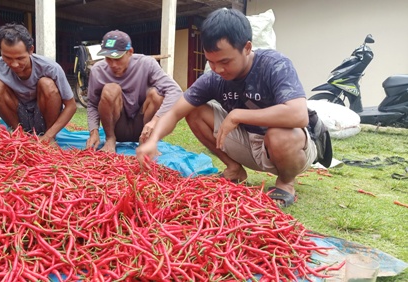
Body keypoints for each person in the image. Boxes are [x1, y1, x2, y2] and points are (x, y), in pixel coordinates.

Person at [137, 8, 329, 208]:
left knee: (279, 134)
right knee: (194, 110)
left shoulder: (274, 65)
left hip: (290, 146)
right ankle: (234, 168)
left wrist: (238, 115)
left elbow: (298, 115)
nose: (218, 69)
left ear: (247, 47)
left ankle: (285, 183)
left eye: (225, 61)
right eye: (211, 61)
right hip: (249, 142)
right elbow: (176, 111)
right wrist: (154, 139)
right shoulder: (213, 78)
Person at [0, 23, 77, 143]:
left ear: (31, 50)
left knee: (47, 84)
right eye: (7, 58)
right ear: (1, 50)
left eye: (20, 58)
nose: (14, 64)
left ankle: (48, 139)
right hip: (17, 117)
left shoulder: (50, 68)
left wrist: (49, 135)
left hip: (44, 117)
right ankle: (19, 135)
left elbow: (71, 106)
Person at [85, 30, 183, 152]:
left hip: (143, 125)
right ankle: (110, 140)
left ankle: (147, 141)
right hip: (116, 126)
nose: (113, 64)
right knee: (110, 89)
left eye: (118, 58)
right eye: (108, 59)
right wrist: (94, 131)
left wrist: (155, 121)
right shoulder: (98, 70)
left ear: (130, 52)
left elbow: (175, 91)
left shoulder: (147, 63)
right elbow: (92, 104)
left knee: (156, 95)